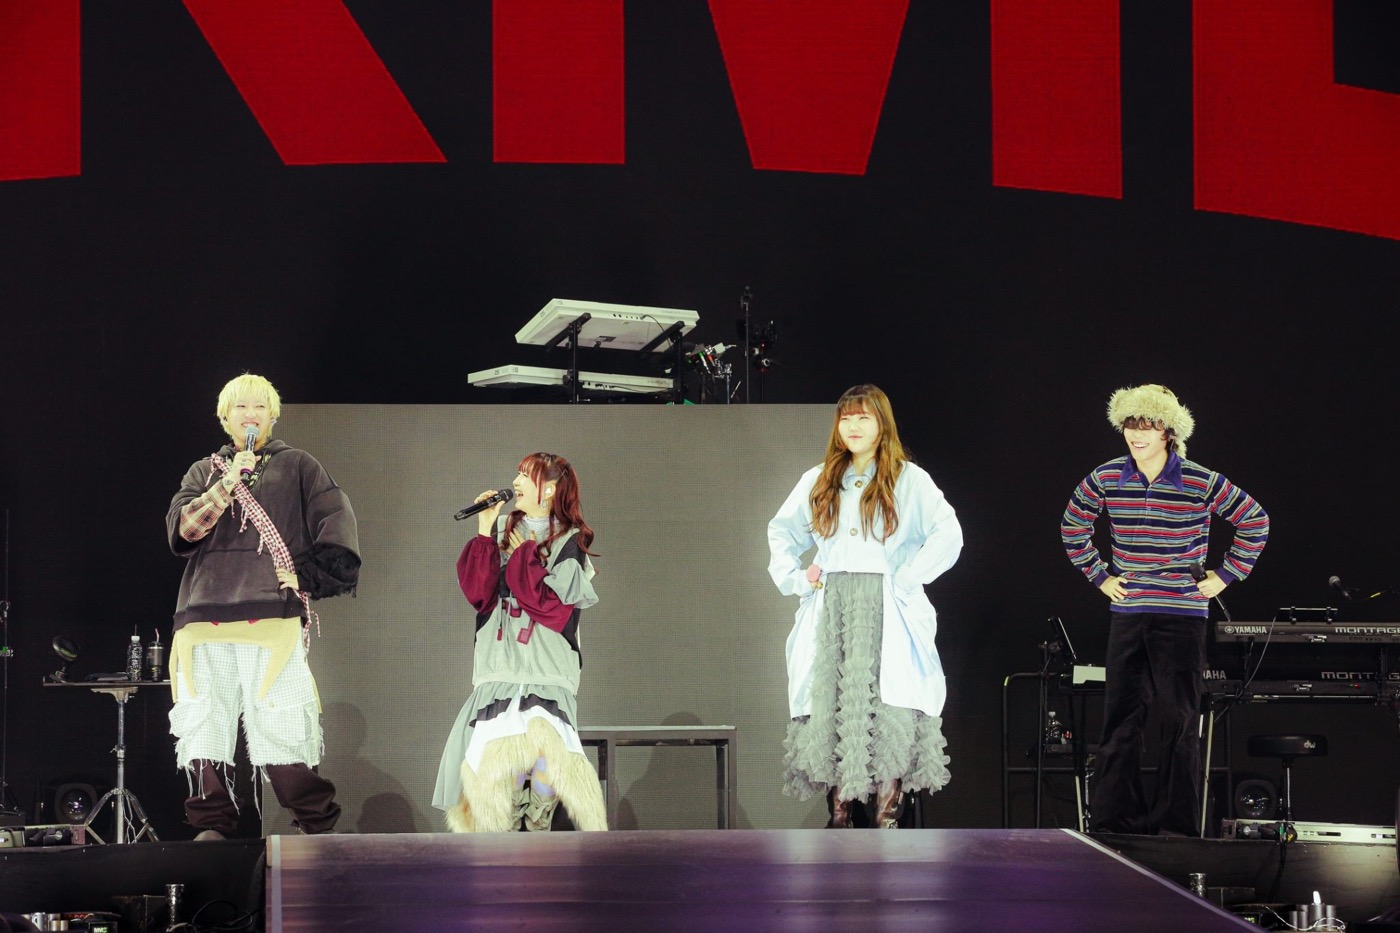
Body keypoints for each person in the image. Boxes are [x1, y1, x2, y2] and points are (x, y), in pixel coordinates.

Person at [1061, 384, 1269, 836]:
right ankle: (1116, 825)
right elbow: (1073, 525)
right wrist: (1100, 576)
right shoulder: (1107, 476)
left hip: (1181, 615)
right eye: (1130, 425)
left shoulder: (1199, 480)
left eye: (1148, 425)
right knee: (1121, 721)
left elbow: (1255, 520)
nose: (1137, 434)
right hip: (1130, 612)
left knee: (1179, 723)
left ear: (1168, 432)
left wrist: (1225, 575)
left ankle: (1176, 831)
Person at [166, 373, 359, 839]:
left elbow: (336, 519)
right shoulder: (204, 471)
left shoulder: (299, 465)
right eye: (240, 407)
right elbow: (183, 531)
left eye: (259, 407)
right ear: (224, 417)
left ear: (273, 415)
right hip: (204, 616)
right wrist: (227, 481)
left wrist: (308, 575)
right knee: (205, 722)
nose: (250, 415)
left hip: (270, 615)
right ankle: (212, 823)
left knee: (281, 720)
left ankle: (315, 823)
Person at [767, 385, 963, 828]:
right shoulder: (820, 478)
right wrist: (799, 579)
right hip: (834, 610)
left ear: (881, 424)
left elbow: (948, 533)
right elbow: (781, 531)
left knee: (889, 706)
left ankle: (885, 820)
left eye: (864, 418)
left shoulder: (908, 479)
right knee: (835, 706)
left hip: (886, 609)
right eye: (846, 418)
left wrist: (908, 576)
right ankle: (840, 819)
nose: (853, 427)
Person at [433, 452, 608, 832]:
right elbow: (479, 594)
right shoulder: (502, 531)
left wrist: (524, 554)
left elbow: (551, 608)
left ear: (550, 488)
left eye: (525, 475)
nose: (515, 483)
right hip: (501, 665)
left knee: (547, 763)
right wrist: (485, 530)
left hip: (548, 669)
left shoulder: (571, 541)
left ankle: (538, 832)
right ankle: (508, 848)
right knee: (500, 770)